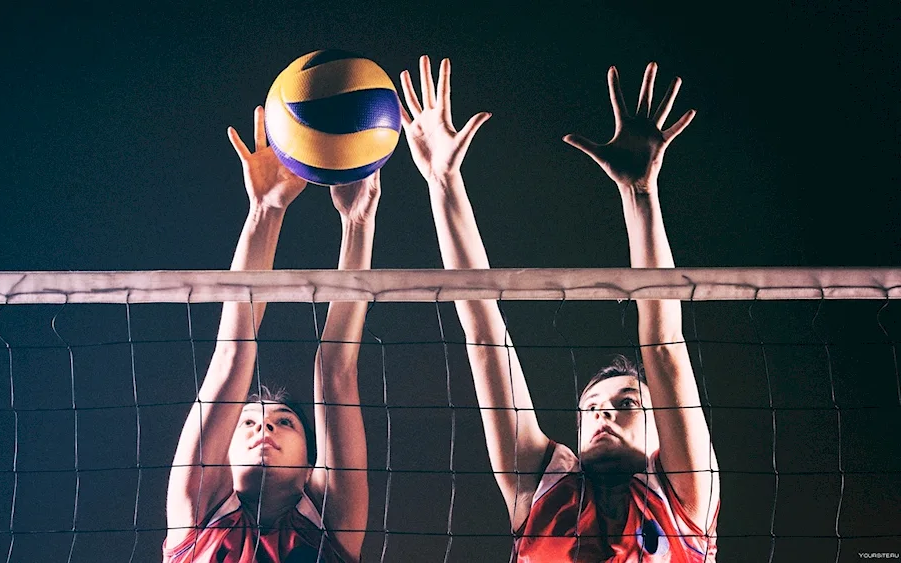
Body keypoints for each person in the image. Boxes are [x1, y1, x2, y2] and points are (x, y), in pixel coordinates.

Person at [398, 56, 719, 561]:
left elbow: (663, 346)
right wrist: (442, 181)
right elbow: (484, 334)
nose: (604, 414)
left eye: (627, 405)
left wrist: (640, 195)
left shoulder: (683, 498)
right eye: (591, 408)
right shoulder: (542, 492)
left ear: (662, 433)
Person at [163, 106, 378, 563]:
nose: (265, 427)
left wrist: (357, 222)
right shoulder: (196, 514)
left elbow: (336, 371)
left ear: (310, 465)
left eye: (285, 422)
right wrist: (265, 208)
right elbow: (232, 357)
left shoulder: (329, 521)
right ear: (223, 452)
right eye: (249, 422)